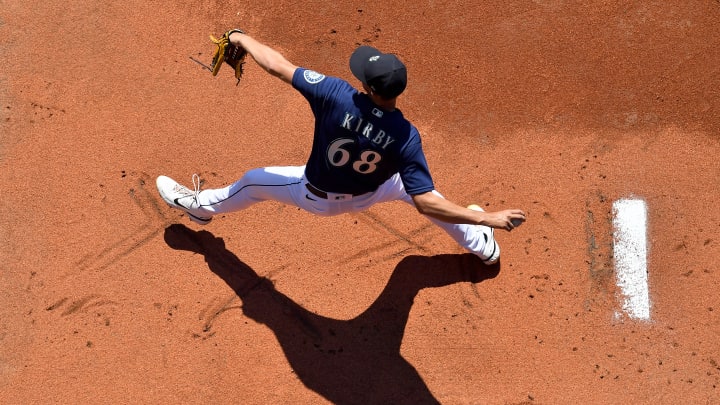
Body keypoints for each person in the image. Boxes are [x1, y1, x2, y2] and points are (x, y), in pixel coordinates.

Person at [156, 31, 526, 264]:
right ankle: (482, 244)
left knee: (253, 183)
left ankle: (199, 208)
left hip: (316, 195)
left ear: (368, 87)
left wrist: (241, 38)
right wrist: (486, 218)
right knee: (425, 195)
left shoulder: (335, 94)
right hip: (375, 189)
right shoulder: (406, 136)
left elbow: (277, 65)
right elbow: (426, 201)